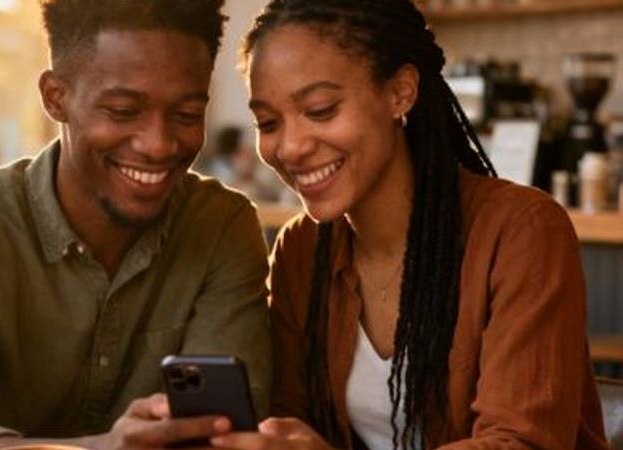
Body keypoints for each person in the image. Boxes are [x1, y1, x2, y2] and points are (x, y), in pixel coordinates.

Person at [209, 0, 609, 449]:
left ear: (400, 92)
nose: (291, 147)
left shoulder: (521, 232)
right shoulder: (302, 248)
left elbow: (521, 442)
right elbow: (291, 421)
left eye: (320, 110)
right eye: (268, 122)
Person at [0, 1, 271, 449]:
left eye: (186, 116)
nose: (159, 144)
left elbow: (221, 431)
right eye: (124, 111)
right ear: (56, 97)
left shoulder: (221, 227)